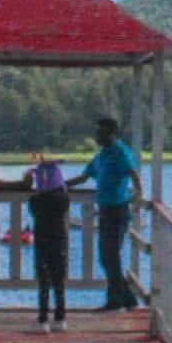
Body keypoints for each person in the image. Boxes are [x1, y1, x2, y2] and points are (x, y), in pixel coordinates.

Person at [70, 116, 141, 311]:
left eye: (100, 132)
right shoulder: (102, 155)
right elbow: (84, 176)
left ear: (111, 133)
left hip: (118, 210)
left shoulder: (121, 152)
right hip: (105, 211)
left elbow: (134, 175)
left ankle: (117, 299)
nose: (97, 135)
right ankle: (126, 298)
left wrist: (137, 195)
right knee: (106, 256)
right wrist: (60, 185)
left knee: (110, 255)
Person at [23, 155, 70, 332]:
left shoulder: (36, 200)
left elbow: (33, 207)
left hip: (42, 241)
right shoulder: (64, 199)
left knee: (44, 280)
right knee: (59, 280)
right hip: (60, 241)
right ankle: (60, 317)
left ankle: (43, 318)